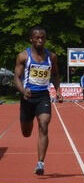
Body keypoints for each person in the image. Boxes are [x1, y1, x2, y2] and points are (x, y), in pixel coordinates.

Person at [13, 26, 62, 175]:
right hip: (27, 97)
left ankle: (40, 163)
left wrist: (58, 89)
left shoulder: (51, 57)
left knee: (44, 124)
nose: (40, 40)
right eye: (37, 37)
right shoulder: (23, 57)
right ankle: (26, 120)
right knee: (26, 133)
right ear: (31, 39)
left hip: (43, 96)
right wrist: (22, 90)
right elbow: (16, 77)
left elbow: (55, 75)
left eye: (42, 37)